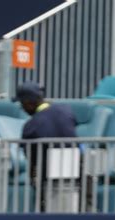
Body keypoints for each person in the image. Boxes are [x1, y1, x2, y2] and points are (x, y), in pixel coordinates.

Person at [16, 81, 78, 211]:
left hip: (48, 179)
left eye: (22, 104)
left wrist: (34, 180)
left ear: (28, 103)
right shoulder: (66, 110)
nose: (23, 108)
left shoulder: (30, 127)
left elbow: (32, 160)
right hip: (78, 173)